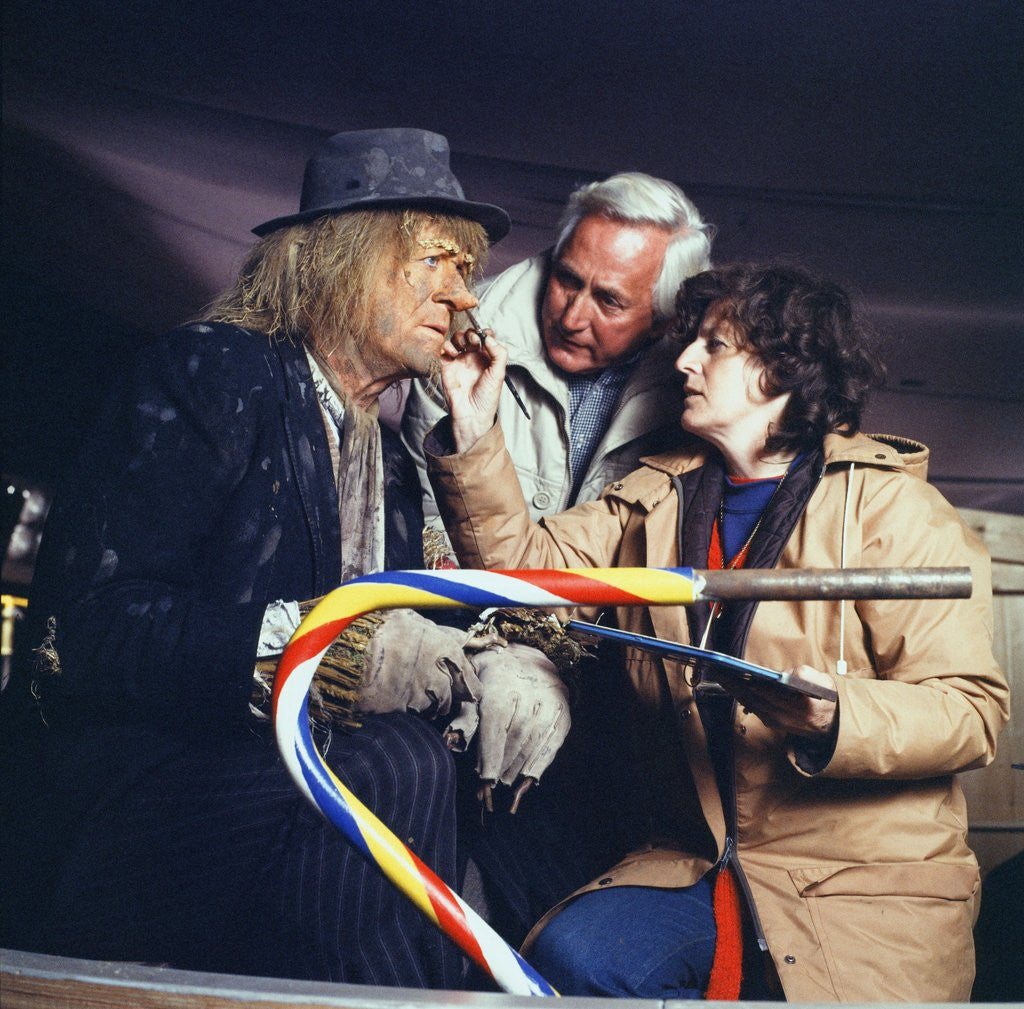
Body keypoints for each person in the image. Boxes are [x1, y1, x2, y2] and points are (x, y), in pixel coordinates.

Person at [1, 127, 533, 988]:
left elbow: (442, 617)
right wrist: (334, 651)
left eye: (466, 269)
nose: (463, 295)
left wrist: (501, 657)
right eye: (435, 261)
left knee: (424, 766)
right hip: (122, 804)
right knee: (393, 760)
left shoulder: (392, 452)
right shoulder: (214, 370)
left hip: (270, 798)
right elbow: (89, 627)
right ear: (342, 259)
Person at [424, 263, 1010, 1002]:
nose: (684, 362)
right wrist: (474, 425)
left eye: (715, 345)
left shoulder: (892, 508)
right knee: (579, 959)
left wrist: (837, 717)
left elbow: (970, 711)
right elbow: (523, 576)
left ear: (782, 369)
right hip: (694, 860)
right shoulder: (655, 494)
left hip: (858, 880)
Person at [402, 171, 715, 553]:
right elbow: (430, 525)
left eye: (608, 301)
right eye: (567, 279)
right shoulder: (462, 333)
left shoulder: (702, 384)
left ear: (663, 321)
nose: (571, 319)